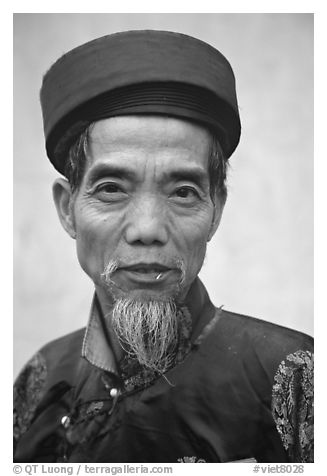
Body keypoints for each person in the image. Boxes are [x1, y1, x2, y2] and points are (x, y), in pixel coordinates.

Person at [13, 30, 313, 463]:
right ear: (67, 209)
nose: (148, 229)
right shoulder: (41, 382)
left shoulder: (294, 377)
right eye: (112, 188)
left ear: (216, 210)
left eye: (184, 191)